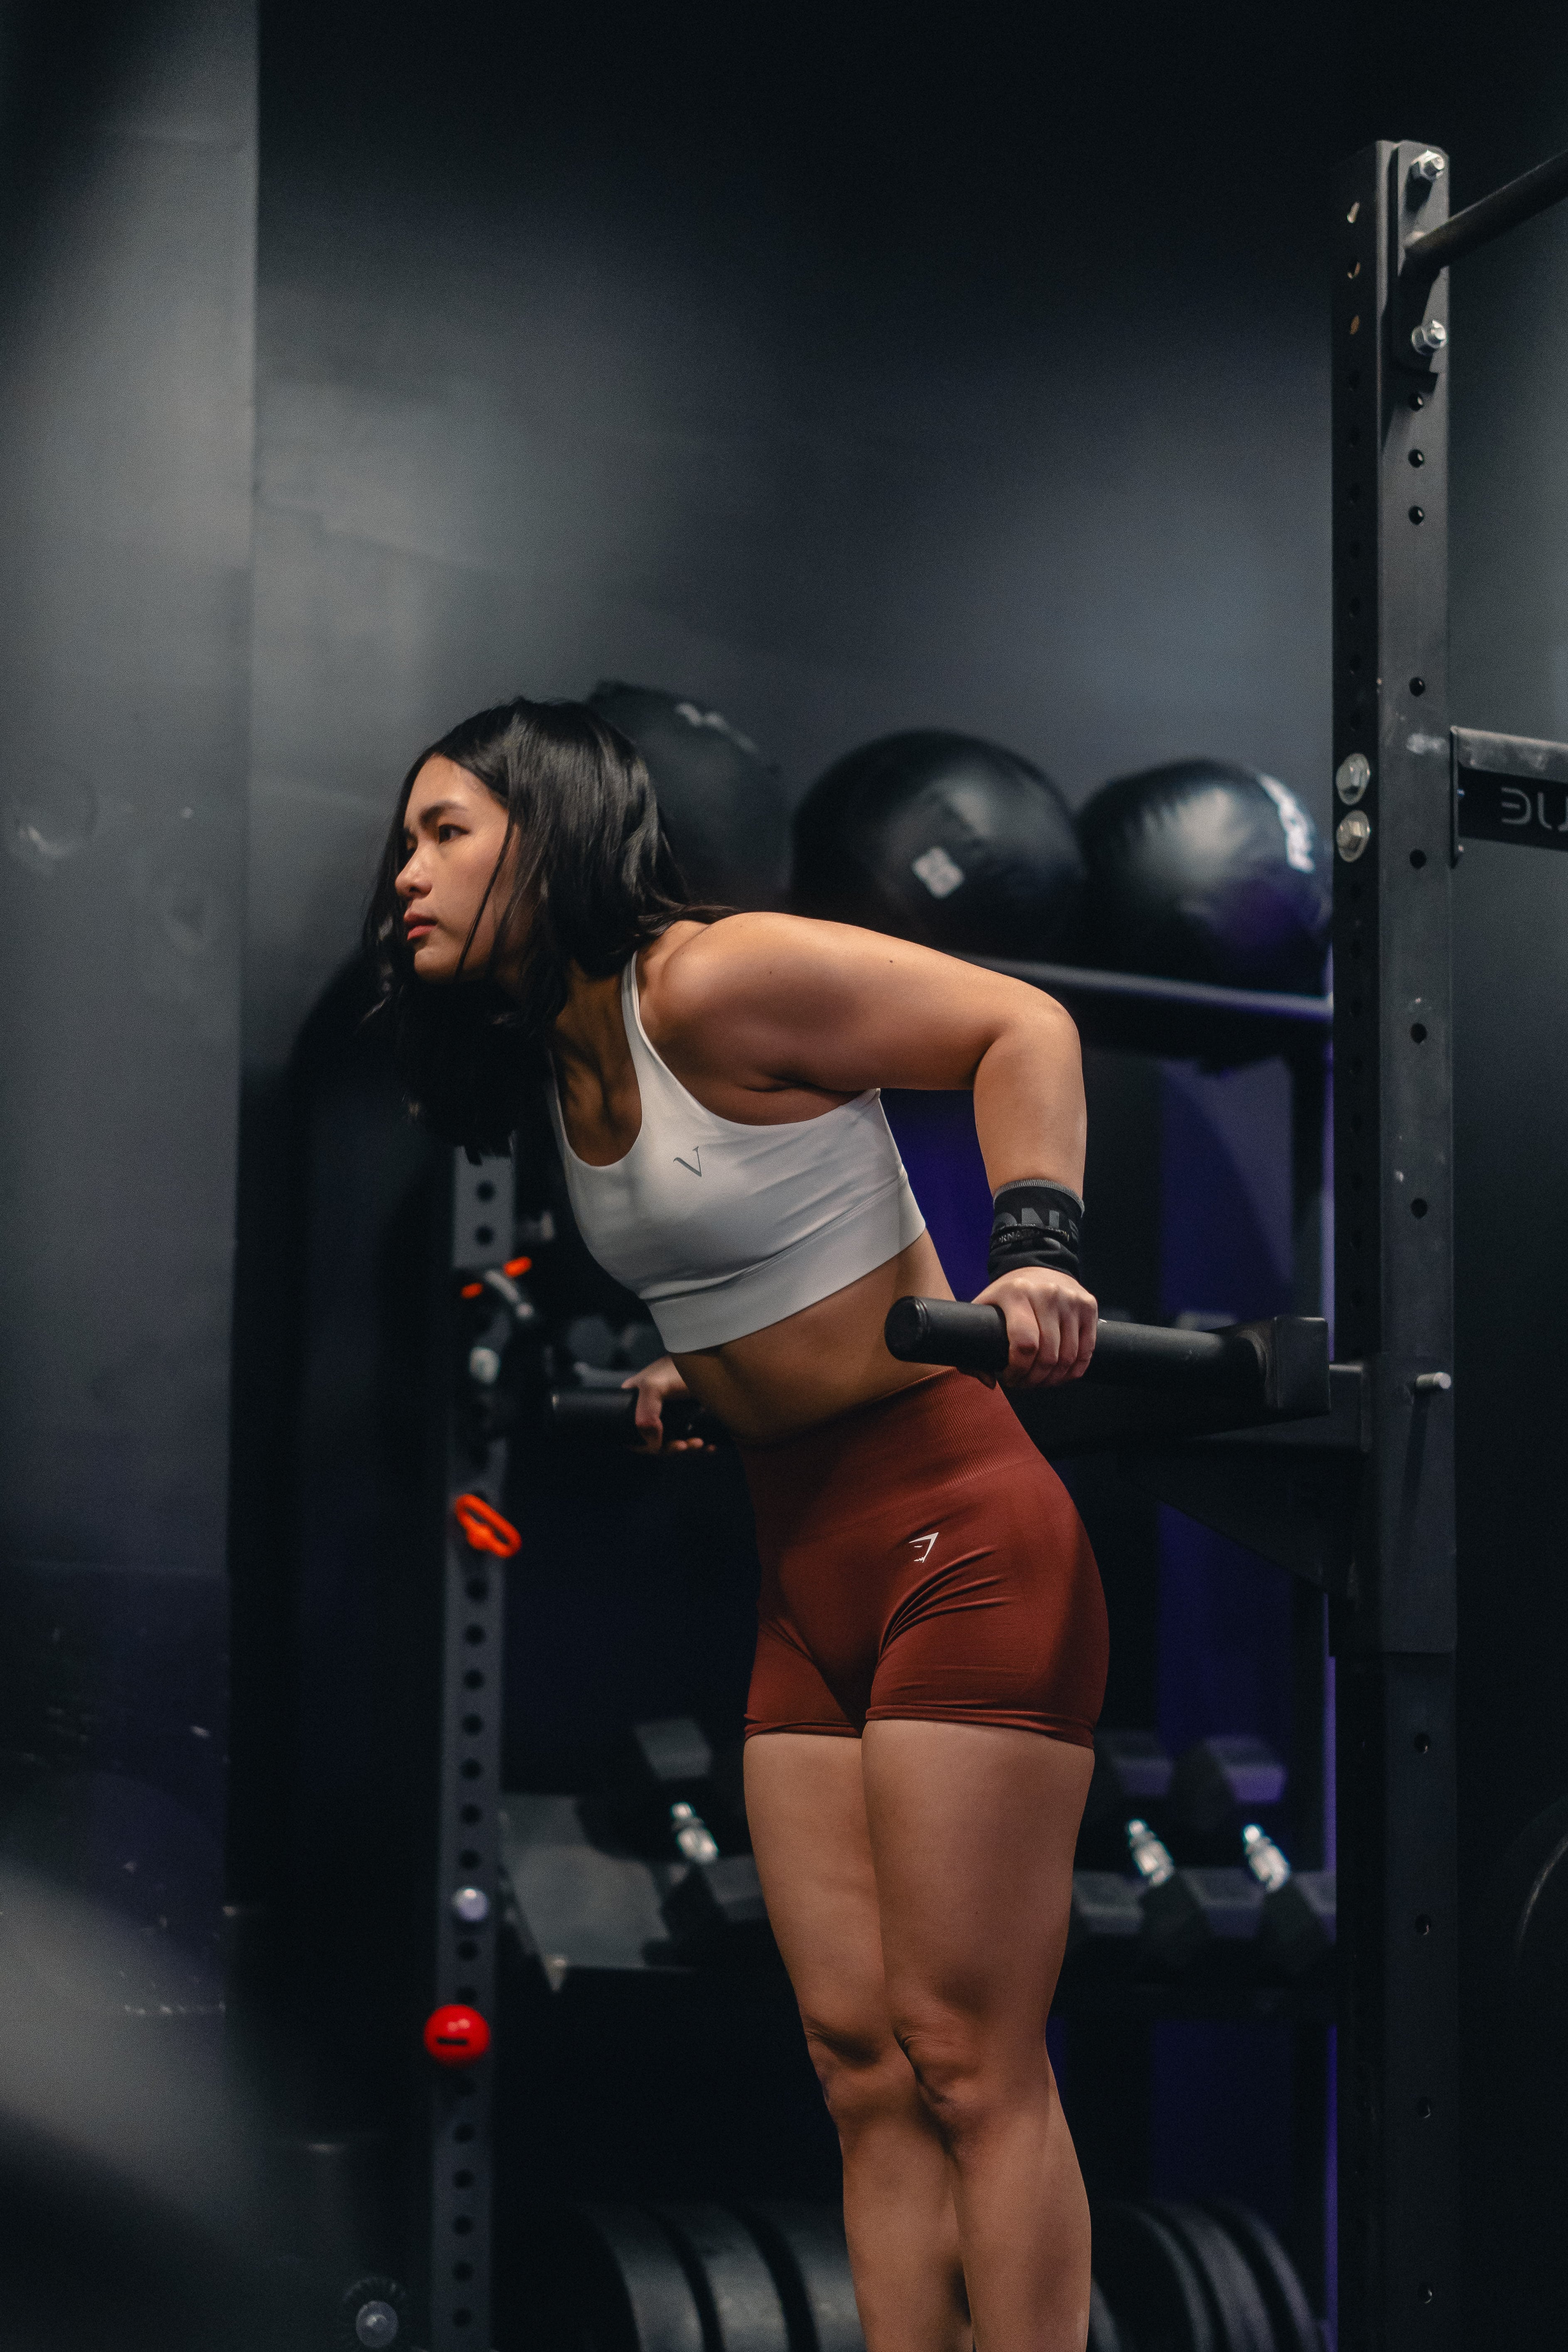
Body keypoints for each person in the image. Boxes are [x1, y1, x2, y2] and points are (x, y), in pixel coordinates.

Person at [368, 696, 1109, 2352]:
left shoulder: (708, 974)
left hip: (959, 1531)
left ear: (545, 830)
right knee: (855, 2061)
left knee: (968, 2052)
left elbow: (1019, 1025)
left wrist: (1039, 1244)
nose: (402, 872)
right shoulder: (564, 1062)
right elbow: (766, 1246)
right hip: (805, 1560)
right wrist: (700, 1368)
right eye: (402, 840)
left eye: (443, 831)